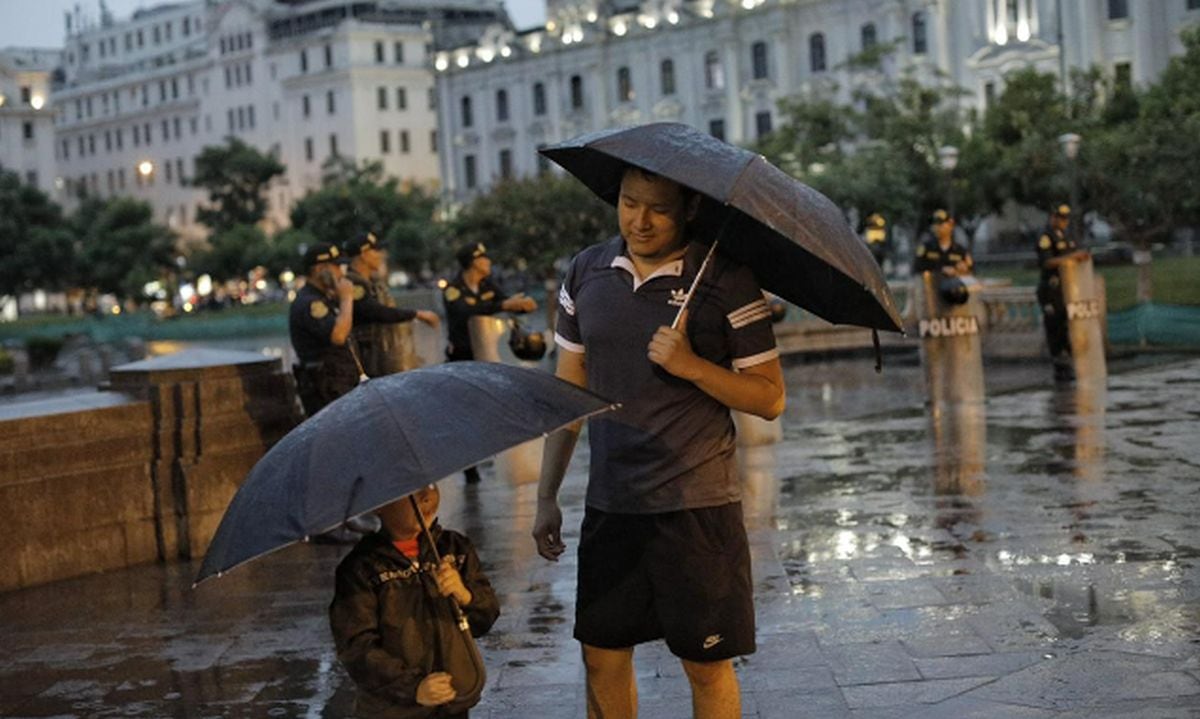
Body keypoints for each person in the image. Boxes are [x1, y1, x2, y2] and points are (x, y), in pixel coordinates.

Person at [532, 166, 785, 719]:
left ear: (689, 209)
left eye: (658, 208)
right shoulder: (586, 272)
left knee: (705, 665)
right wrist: (546, 493)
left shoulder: (725, 279)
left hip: (696, 507)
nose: (639, 221)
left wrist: (691, 365)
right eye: (628, 203)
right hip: (611, 503)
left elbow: (769, 397)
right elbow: (567, 389)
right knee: (601, 657)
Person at [330, 483, 499, 719]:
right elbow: (356, 646)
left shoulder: (454, 548)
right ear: (379, 505)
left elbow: (486, 617)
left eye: (430, 484)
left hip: (452, 700)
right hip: (392, 709)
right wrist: (413, 687)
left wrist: (465, 595)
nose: (425, 496)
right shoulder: (361, 567)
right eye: (409, 490)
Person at [442, 242, 537, 484]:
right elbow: (465, 312)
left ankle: (502, 459)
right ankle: (469, 469)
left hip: (487, 353)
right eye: (483, 258)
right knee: (465, 414)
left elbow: (504, 302)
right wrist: (503, 305)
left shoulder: (486, 285)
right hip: (462, 356)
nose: (488, 262)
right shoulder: (453, 289)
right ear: (473, 262)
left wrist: (520, 305)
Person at [343, 231, 440, 378]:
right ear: (363, 254)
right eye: (376, 251)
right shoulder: (353, 283)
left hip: (384, 357)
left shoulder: (373, 282)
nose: (381, 255)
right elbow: (374, 311)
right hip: (369, 361)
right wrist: (417, 314)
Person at [289, 241, 358, 416]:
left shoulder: (323, 297)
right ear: (320, 269)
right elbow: (338, 336)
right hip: (325, 385)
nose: (340, 273)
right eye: (336, 267)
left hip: (336, 381)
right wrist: (346, 299)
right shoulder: (310, 303)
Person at [1036, 204, 1090, 381]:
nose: (1064, 221)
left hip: (1068, 288)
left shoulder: (1068, 236)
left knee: (1067, 325)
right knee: (1055, 327)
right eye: (1060, 218)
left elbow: (1075, 254)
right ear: (1053, 218)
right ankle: (1059, 364)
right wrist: (1071, 258)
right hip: (1051, 289)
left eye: (1066, 218)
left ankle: (1068, 360)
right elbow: (1047, 262)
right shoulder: (1046, 237)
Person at [913, 209, 973, 277]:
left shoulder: (960, 250)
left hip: (954, 284)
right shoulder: (926, 248)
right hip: (933, 284)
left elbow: (971, 268)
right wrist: (941, 270)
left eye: (940, 223)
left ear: (951, 224)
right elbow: (917, 268)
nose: (936, 227)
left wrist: (964, 269)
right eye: (934, 224)